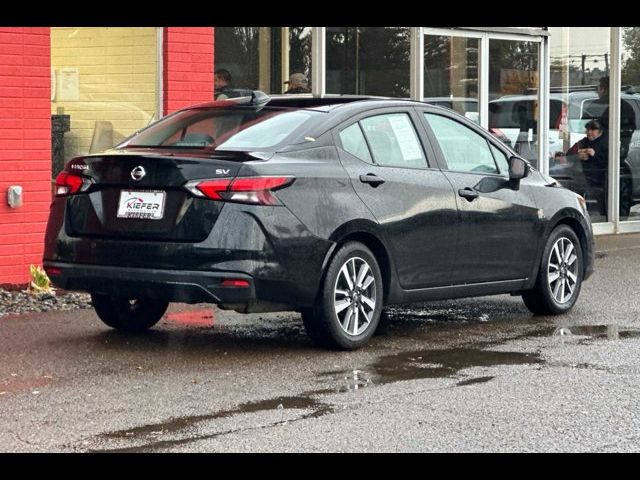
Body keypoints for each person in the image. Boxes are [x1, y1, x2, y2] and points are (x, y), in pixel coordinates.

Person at [566, 119, 609, 215]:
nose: (589, 132)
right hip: (582, 178)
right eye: (588, 130)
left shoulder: (607, 143)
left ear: (600, 131)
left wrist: (595, 155)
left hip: (600, 180)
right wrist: (578, 155)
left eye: (593, 129)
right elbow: (569, 154)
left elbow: (611, 162)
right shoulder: (583, 142)